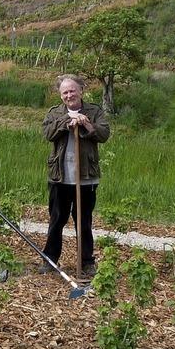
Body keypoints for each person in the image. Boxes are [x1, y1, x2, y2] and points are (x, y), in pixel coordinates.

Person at [40, 74, 110, 278]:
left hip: (86, 177)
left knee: (84, 221)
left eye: (72, 90)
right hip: (60, 177)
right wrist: (66, 122)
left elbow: (104, 134)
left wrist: (87, 125)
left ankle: (87, 262)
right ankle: (50, 260)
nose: (69, 95)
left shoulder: (94, 111)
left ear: (81, 90)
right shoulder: (55, 113)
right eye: (65, 92)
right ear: (61, 95)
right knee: (56, 219)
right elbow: (48, 134)